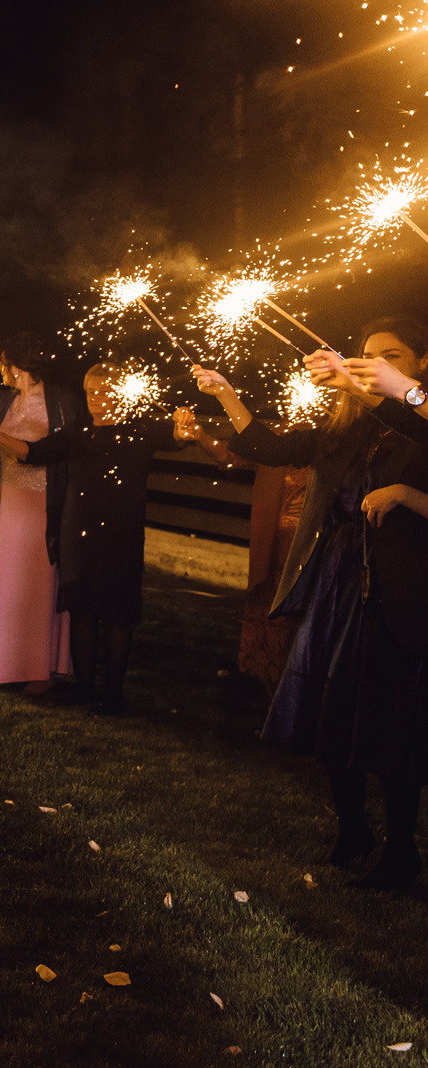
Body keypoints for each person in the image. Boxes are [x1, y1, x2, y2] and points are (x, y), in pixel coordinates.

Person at [196, 326, 428, 890]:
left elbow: (408, 420)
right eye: (367, 356)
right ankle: (352, 831)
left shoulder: (418, 419)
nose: (374, 365)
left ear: (419, 363)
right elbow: (275, 449)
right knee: (333, 708)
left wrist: (406, 490)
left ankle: (401, 850)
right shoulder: (344, 425)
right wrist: (227, 394)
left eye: (390, 357)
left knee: (392, 722)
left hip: (400, 584)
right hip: (340, 580)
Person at [18, 362, 182, 714]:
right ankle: (84, 687)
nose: (97, 399)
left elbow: (179, 438)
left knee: (117, 614)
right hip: (78, 534)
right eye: (92, 391)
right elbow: (35, 453)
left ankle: (113, 691)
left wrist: (187, 428)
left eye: (106, 391)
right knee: (81, 611)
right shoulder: (77, 433)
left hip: (121, 535)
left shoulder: (139, 432)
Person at [0, 333, 84, 693]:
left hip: (43, 506)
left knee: (35, 587)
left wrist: (1, 438)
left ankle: (39, 667)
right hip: (6, 503)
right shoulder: (5, 401)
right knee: (5, 582)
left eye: (2, 363)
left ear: (17, 366)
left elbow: (52, 451)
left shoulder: (61, 401)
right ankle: (2, 662)